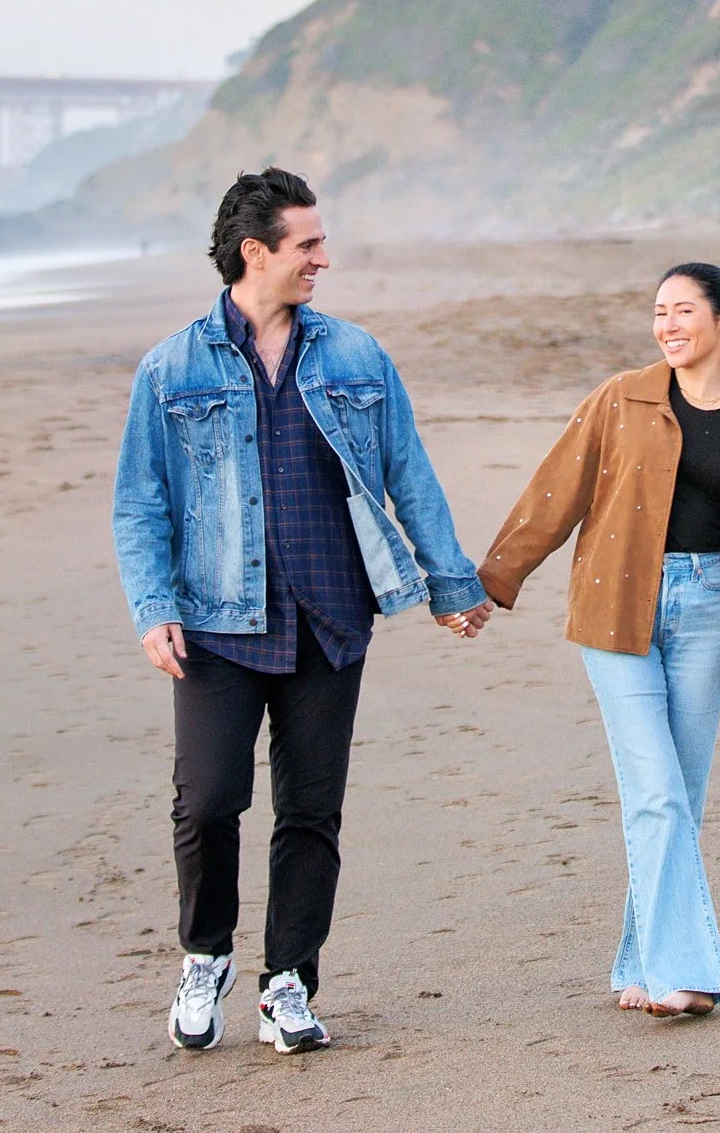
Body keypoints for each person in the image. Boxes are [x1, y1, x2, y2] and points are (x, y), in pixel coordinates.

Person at [113, 167, 493, 1055]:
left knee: (310, 811)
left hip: (331, 615)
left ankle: (289, 979)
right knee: (208, 800)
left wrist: (450, 583)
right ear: (257, 251)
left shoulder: (355, 355)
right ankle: (205, 955)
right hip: (216, 620)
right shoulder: (171, 367)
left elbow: (408, 471)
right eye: (308, 244)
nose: (324, 257)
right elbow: (141, 502)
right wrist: (152, 604)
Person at [477, 262, 720, 1016]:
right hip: (617, 609)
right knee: (657, 793)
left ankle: (640, 963)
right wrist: (492, 581)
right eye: (659, 312)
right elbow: (553, 494)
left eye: (683, 311)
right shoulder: (620, 399)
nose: (668, 325)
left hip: (709, 608)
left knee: (677, 799)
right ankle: (687, 975)